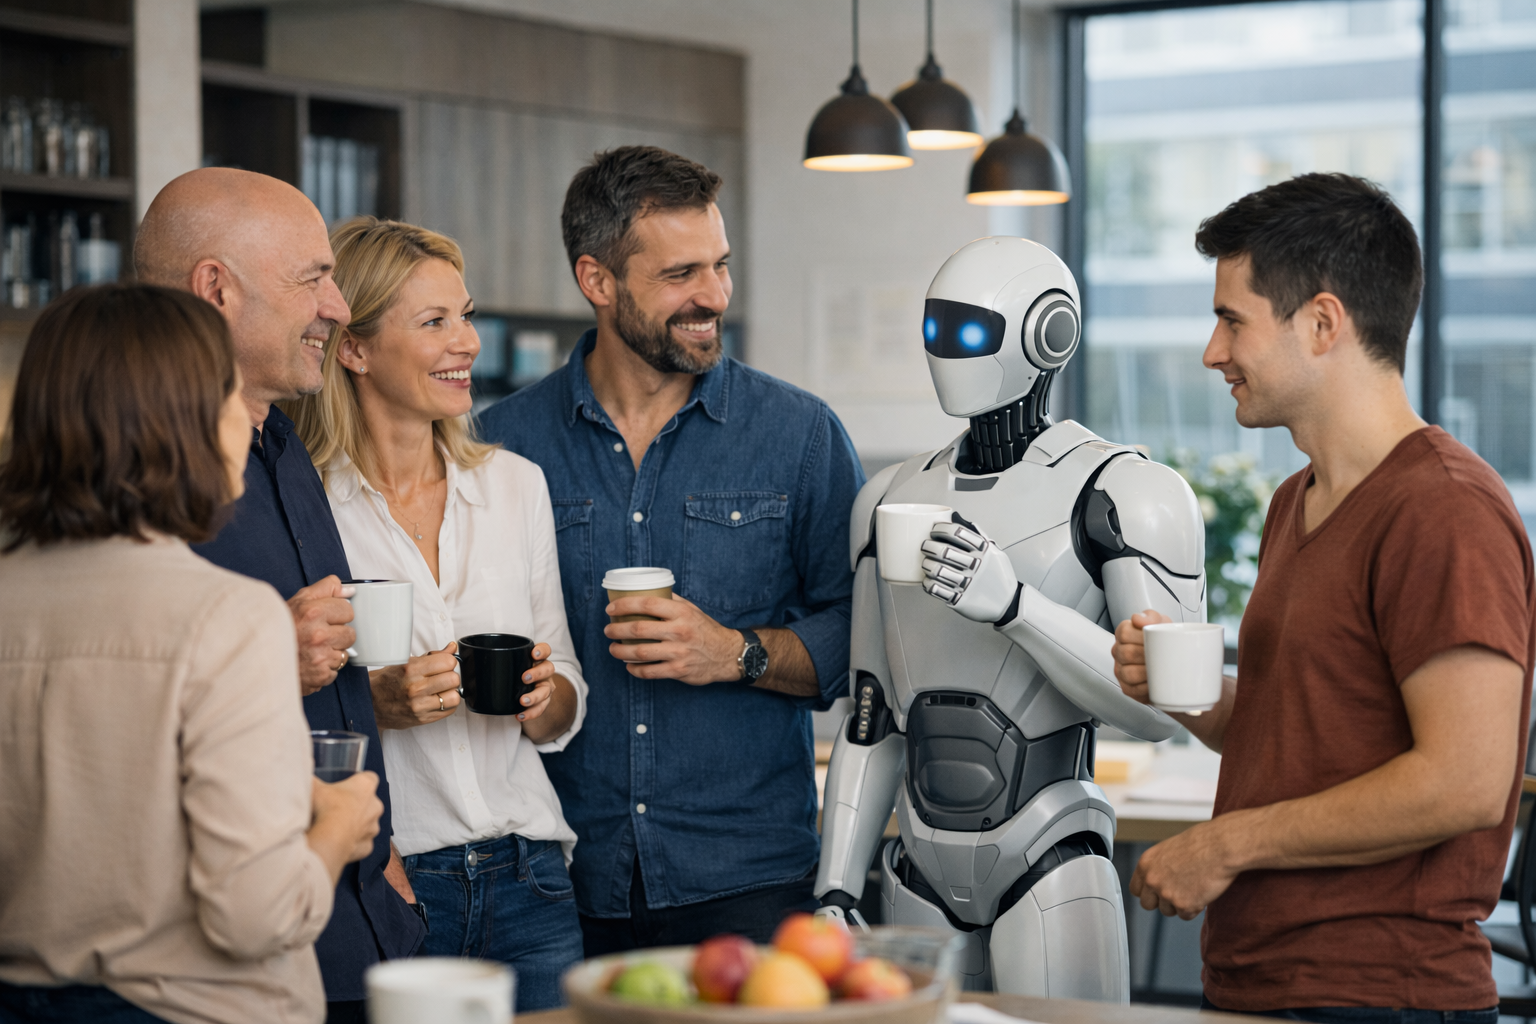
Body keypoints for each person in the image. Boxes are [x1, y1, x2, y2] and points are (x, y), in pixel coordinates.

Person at [1110, 172, 1534, 1020]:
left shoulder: (1444, 508)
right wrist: (1190, 699)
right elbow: (1304, 733)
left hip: (1382, 994)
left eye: (1233, 320)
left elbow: (1467, 782)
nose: (1211, 351)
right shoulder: (1294, 502)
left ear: (1323, 322)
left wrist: (1227, 844)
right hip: (1266, 984)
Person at [478, 145, 864, 953]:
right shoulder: (502, 446)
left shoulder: (799, 435)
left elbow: (863, 643)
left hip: (749, 880)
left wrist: (735, 653)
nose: (715, 296)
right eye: (682, 273)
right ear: (598, 281)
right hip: (557, 879)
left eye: (721, 266)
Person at [0, 285, 383, 1024]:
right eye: (225, 396)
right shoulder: (226, 618)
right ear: (181, 423)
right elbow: (256, 915)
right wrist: (338, 828)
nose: (243, 419)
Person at [133, 168, 425, 1021]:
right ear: (216, 289)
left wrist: (383, 858)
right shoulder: (130, 476)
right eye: (313, 279)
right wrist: (265, 655)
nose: (338, 306)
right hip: (233, 947)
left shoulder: (285, 439)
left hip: (361, 912)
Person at [285, 218, 588, 1012]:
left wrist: (541, 695)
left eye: (466, 315)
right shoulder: (306, 505)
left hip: (532, 878)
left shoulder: (515, 486)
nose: (468, 343)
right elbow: (271, 702)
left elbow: (563, 691)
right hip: (391, 879)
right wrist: (375, 704)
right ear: (353, 347)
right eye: (434, 323)